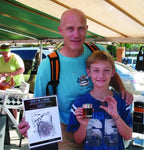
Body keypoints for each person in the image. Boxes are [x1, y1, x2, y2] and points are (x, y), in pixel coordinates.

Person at [18, 8, 133, 150]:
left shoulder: (97, 51)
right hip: (69, 133)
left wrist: (122, 90)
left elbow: (113, 74)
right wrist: (30, 125)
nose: (76, 34)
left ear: (86, 29)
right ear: (61, 30)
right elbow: (38, 105)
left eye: (80, 29)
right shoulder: (48, 65)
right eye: (70, 29)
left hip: (104, 129)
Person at [67, 50, 133, 150]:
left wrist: (116, 116)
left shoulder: (122, 101)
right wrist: (84, 124)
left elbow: (128, 136)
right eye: (96, 70)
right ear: (89, 72)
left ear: (113, 72)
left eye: (106, 70)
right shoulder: (81, 102)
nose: (101, 75)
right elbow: (78, 140)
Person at [0, 44, 25, 119]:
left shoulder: (15, 58)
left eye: (6, 53)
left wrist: (9, 74)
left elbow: (21, 69)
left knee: (13, 103)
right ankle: (3, 119)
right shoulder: (1, 59)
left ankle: (15, 121)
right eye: (2, 53)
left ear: (9, 51)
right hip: (4, 86)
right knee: (3, 102)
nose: (4, 55)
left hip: (16, 84)